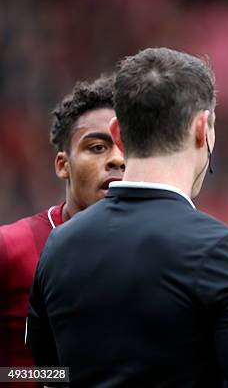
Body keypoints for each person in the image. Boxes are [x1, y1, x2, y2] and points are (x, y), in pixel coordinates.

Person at [27, 47, 228, 388]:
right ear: (202, 128)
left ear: (118, 133)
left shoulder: (58, 246)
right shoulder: (219, 251)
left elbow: (49, 377)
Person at [0, 75, 124, 387]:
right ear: (62, 165)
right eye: (97, 147)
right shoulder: (10, 248)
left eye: (128, 148)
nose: (117, 160)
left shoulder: (159, 254)